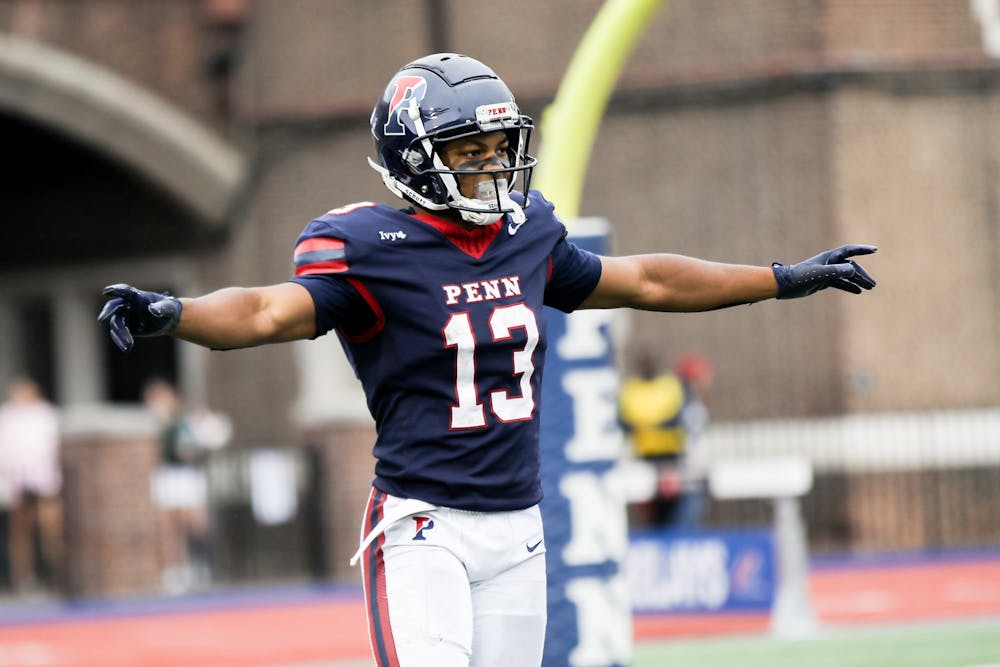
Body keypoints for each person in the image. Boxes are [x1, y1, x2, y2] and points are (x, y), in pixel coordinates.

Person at [97, 53, 876, 667]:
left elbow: (645, 278)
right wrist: (178, 315)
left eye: (498, 148)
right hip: (424, 525)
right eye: (467, 151)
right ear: (412, 160)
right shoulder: (370, 247)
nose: (491, 167)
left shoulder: (526, 232)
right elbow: (268, 310)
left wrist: (780, 278)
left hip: (520, 529)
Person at [144, 378, 230, 593]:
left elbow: (212, 438)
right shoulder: (154, 423)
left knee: (194, 522)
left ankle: (199, 565)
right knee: (169, 526)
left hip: (187, 476)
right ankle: (174, 571)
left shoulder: (188, 421)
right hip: (167, 476)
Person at [619, 352, 714, 529]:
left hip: (678, 462)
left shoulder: (676, 393)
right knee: (671, 517)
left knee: (678, 515)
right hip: (666, 460)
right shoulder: (673, 393)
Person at [0, 377, 63, 595]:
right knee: (20, 533)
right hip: (17, 482)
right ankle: (24, 579)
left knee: (50, 528)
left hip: (45, 481)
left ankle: (55, 575)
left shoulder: (46, 414)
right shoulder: (7, 416)